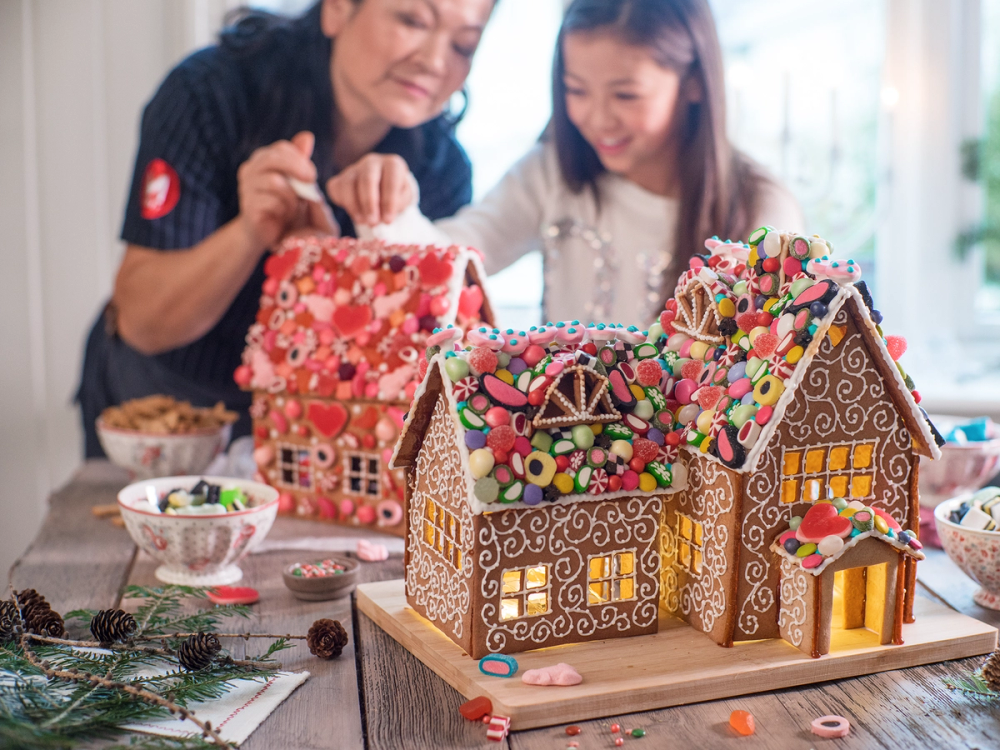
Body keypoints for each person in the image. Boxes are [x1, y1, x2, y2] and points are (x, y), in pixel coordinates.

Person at [78, 0, 495, 457]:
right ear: (337, 10)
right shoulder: (211, 93)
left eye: (463, 45)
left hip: (312, 423)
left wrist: (372, 239)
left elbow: (422, 351)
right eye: (412, 20)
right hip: (167, 396)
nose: (435, 61)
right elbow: (142, 321)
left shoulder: (442, 168)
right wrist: (250, 232)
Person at [328, 0, 803, 327]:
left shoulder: (760, 206)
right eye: (576, 90)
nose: (597, 119)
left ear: (695, 82)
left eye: (625, 95)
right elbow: (449, 258)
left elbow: (775, 360)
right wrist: (391, 207)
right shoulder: (550, 174)